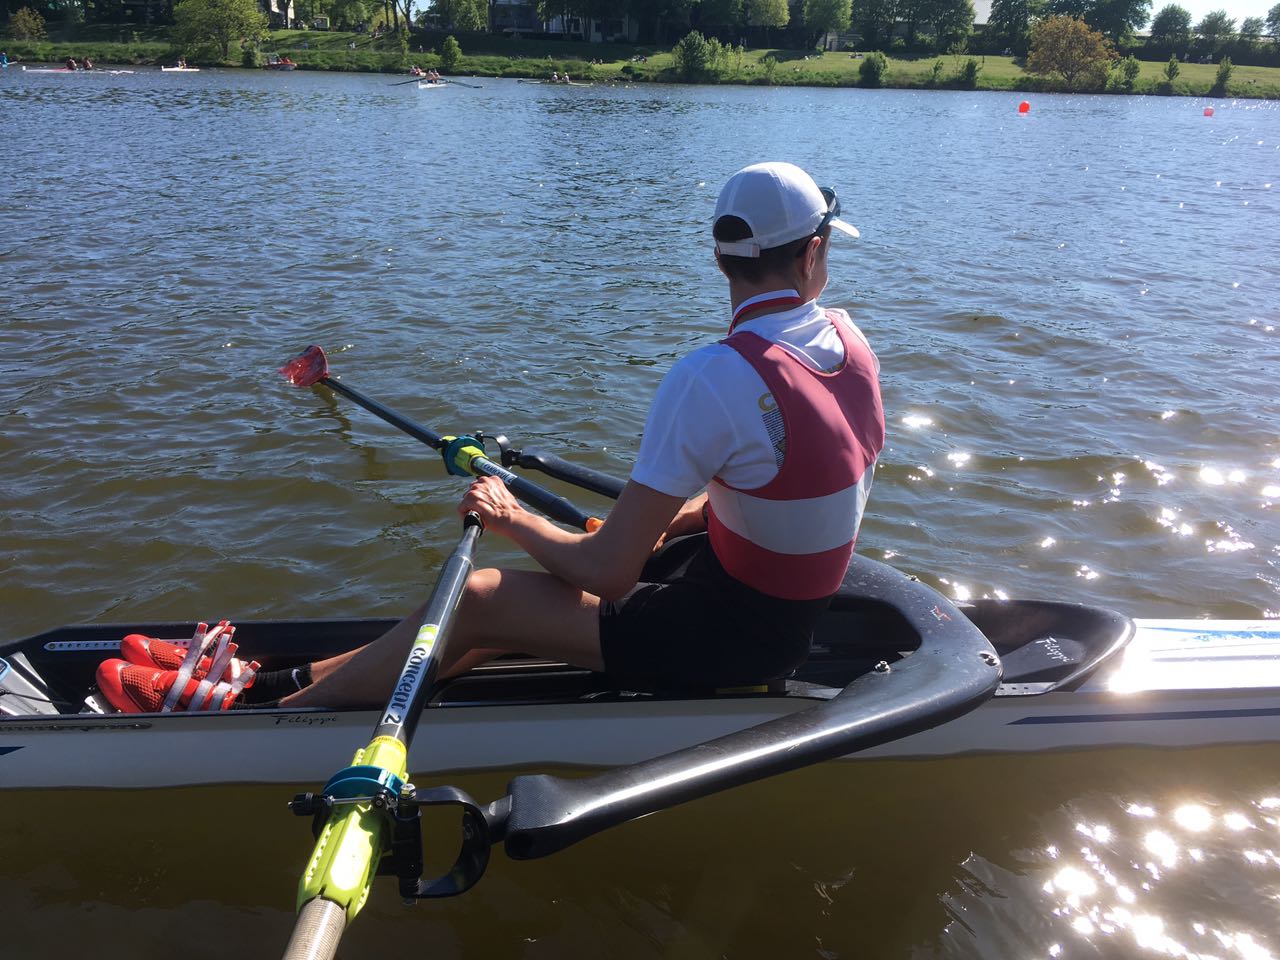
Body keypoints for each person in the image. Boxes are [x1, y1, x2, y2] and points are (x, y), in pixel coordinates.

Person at [93, 162, 885, 713]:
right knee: (524, 595)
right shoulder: (851, 343)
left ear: (719, 259)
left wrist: (512, 518)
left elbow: (609, 576)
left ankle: (257, 718)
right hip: (751, 597)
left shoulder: (712, 376)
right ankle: (269, 681)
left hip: (739, 635)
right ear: (813, 253)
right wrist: (644, 532)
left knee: (479, 595)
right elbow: (787, 488)